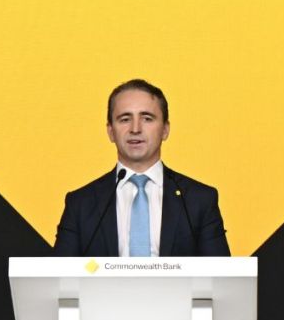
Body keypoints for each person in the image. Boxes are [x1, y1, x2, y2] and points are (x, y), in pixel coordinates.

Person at [54, 78, 230, 257]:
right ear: (110, 131)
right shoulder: (80, 204)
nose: (135, 129)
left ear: (165, 130)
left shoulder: (199, 200)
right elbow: (58, 280)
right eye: (124, 119)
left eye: (147, 118)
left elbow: (222, 279)